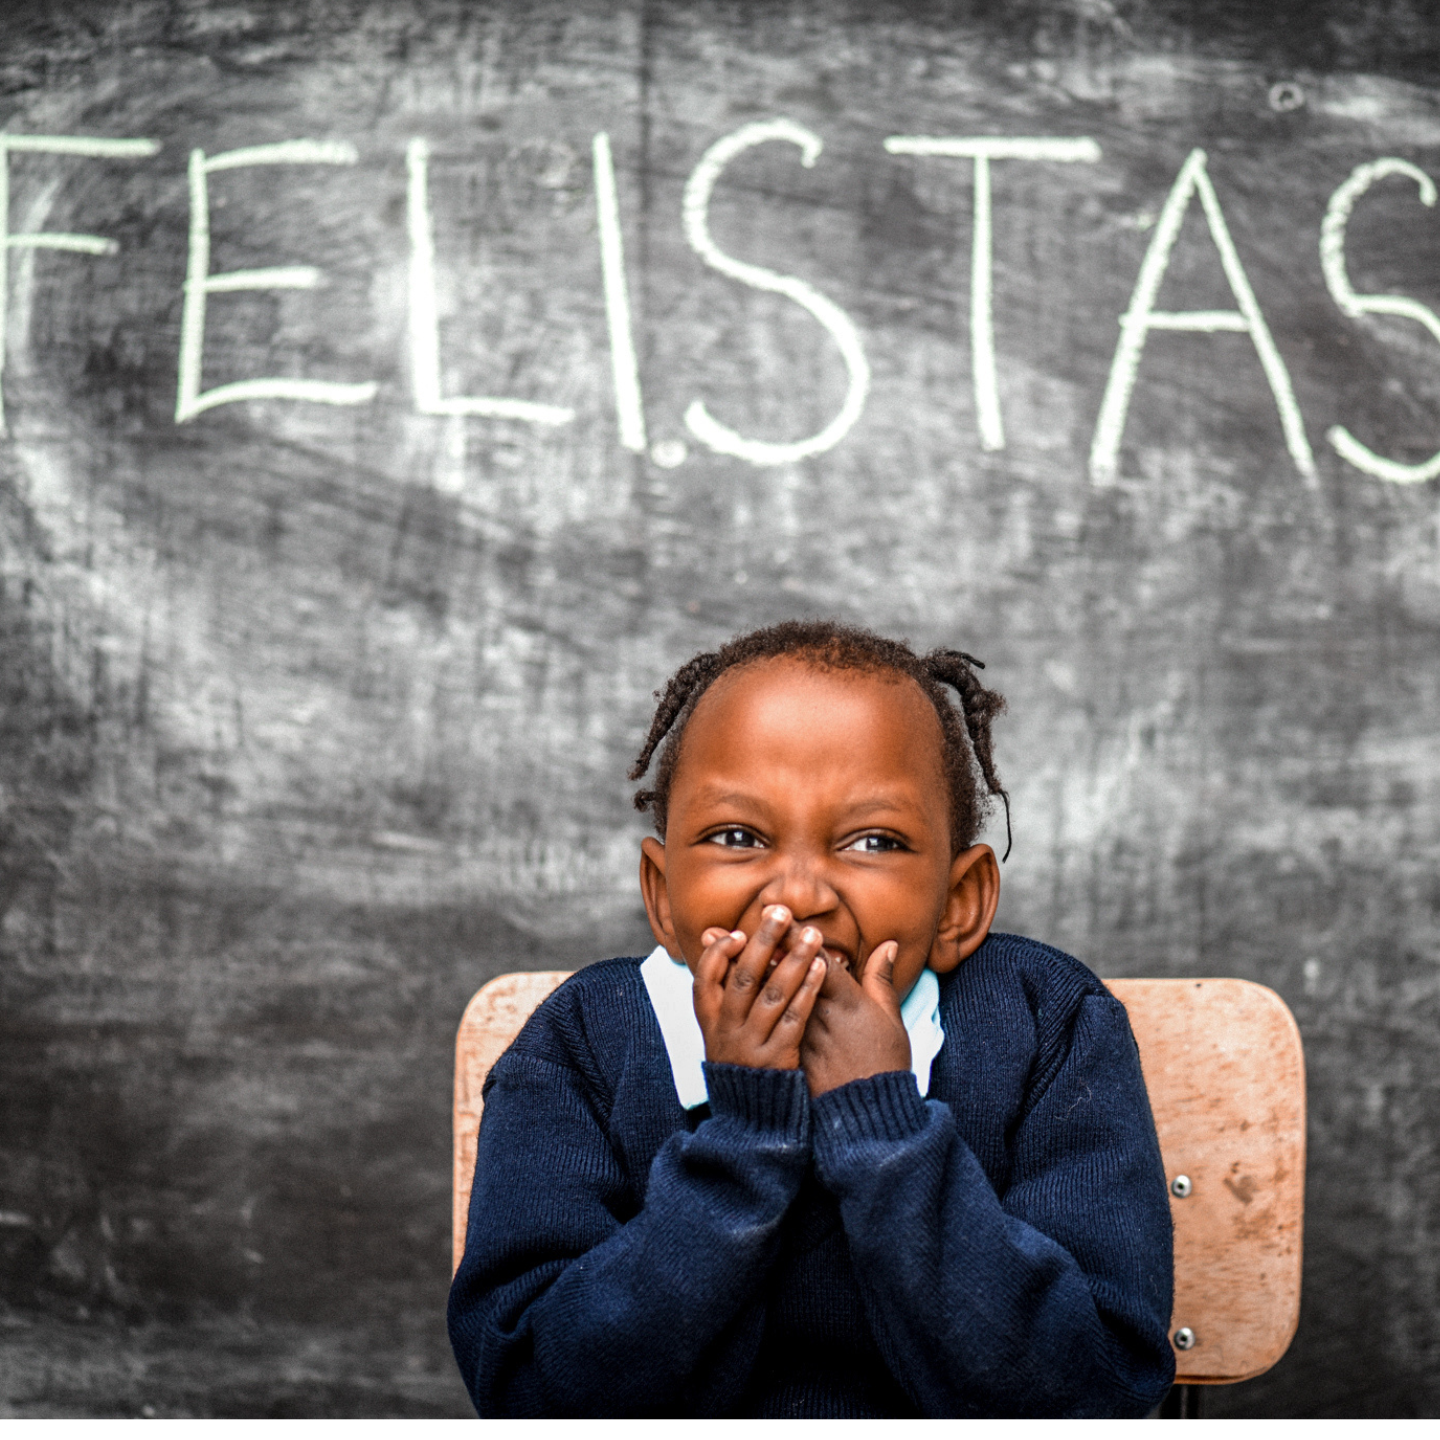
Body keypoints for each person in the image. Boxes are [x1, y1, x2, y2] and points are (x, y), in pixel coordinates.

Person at [447, 620, 1175, 1417]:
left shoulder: (1049, 1025)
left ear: (959, 903)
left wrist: (882, 1128)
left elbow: (1094, 1390)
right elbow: (532, 1391)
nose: (797, 895)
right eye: (736, 836)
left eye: (873, 841)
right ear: (662, 894)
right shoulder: (585, 1042)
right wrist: (744, 1138)